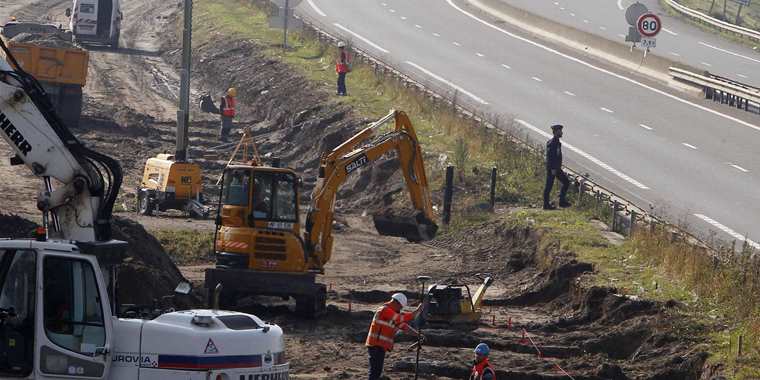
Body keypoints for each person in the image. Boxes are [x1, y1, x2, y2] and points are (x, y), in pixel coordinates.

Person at [366, 293, 423, 380]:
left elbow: (404, 326)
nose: (400, 309)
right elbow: (399, 318)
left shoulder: (393, 313)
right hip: (375, 344)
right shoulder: (384, 309)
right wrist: (416, 312)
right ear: (396, 303)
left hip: (381, 346)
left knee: (377, 371)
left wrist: (417, 334)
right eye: (400, 307)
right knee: (374, 372)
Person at [543, 124, 570, 210]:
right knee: (548, 186)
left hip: (557, 168)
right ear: (555, 132)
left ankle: (562, 201)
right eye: (560, 131)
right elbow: (550, 157)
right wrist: (553, 169)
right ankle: (546, 205)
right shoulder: (552, 143)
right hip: (552, 169)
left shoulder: (557, 143)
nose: (561, 133)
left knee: (566, 182)